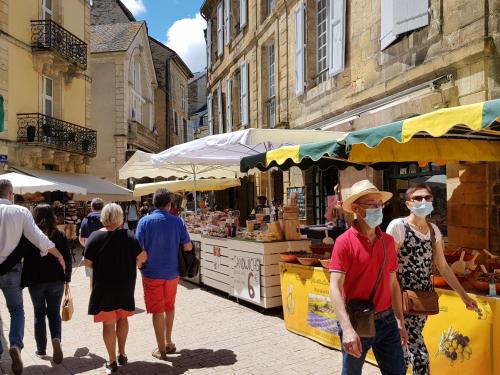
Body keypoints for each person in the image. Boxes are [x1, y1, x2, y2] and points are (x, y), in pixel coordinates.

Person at [386, 184, 479, 375]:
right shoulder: (397, 227)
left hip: (424, 300)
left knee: (404, 350)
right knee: (419, 353)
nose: (423, 202)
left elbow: (443, 267)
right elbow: (389, 271)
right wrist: (397, 314)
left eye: (427, 198)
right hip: (402, 299)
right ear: (408, 203)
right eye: (418, 198)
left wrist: (464, 296)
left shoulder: (434, 230)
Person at [329, 179, 407, 375]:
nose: (378, 209)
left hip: (387, 321)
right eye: (372, 204)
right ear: (356, 208)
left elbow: (393, 285)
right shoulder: (343, 242)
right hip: (357, 321)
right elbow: (335, 288)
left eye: (380, 204)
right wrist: (346, 328)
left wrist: (399, 320)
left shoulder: (388, 241)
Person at [0, 179, 66, 375]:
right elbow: (39, 238)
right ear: (11, 194)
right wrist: (59, 255)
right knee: (16, 310)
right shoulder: (20, 212)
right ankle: (16, 345)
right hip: (11, 270)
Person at [84, 203, 147, 374]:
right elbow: (142, 257)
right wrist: (136, 262)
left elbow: (87, 265)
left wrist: (92, 283)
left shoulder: (94, 237)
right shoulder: (129, 236)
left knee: (108, 323)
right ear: (121, 218)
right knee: (123, 319)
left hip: (103, 286)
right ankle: (122, 354)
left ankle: (112, 361)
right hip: (125, 285)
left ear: (103, 217)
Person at [135, 189, 192, 360]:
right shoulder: (177, 221)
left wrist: (139, 265)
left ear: (154, 204)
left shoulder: (144, 222)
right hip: (172, 273)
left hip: (152, 273)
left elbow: (139, 251)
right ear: (169, 204)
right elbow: (188, 246)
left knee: (157, 311)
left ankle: (161, 349)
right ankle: (169, 342)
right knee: (170, 306)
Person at [19, 205, 72, 363]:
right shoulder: (60, 235)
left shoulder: (29, 235)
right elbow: (67, 258)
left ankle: (41, 350)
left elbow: (22, 258)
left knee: (39, 314)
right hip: (56, 280)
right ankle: (56, 339)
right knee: (54, 313)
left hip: (35, 281)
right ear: (53, 216)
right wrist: (67, 277)